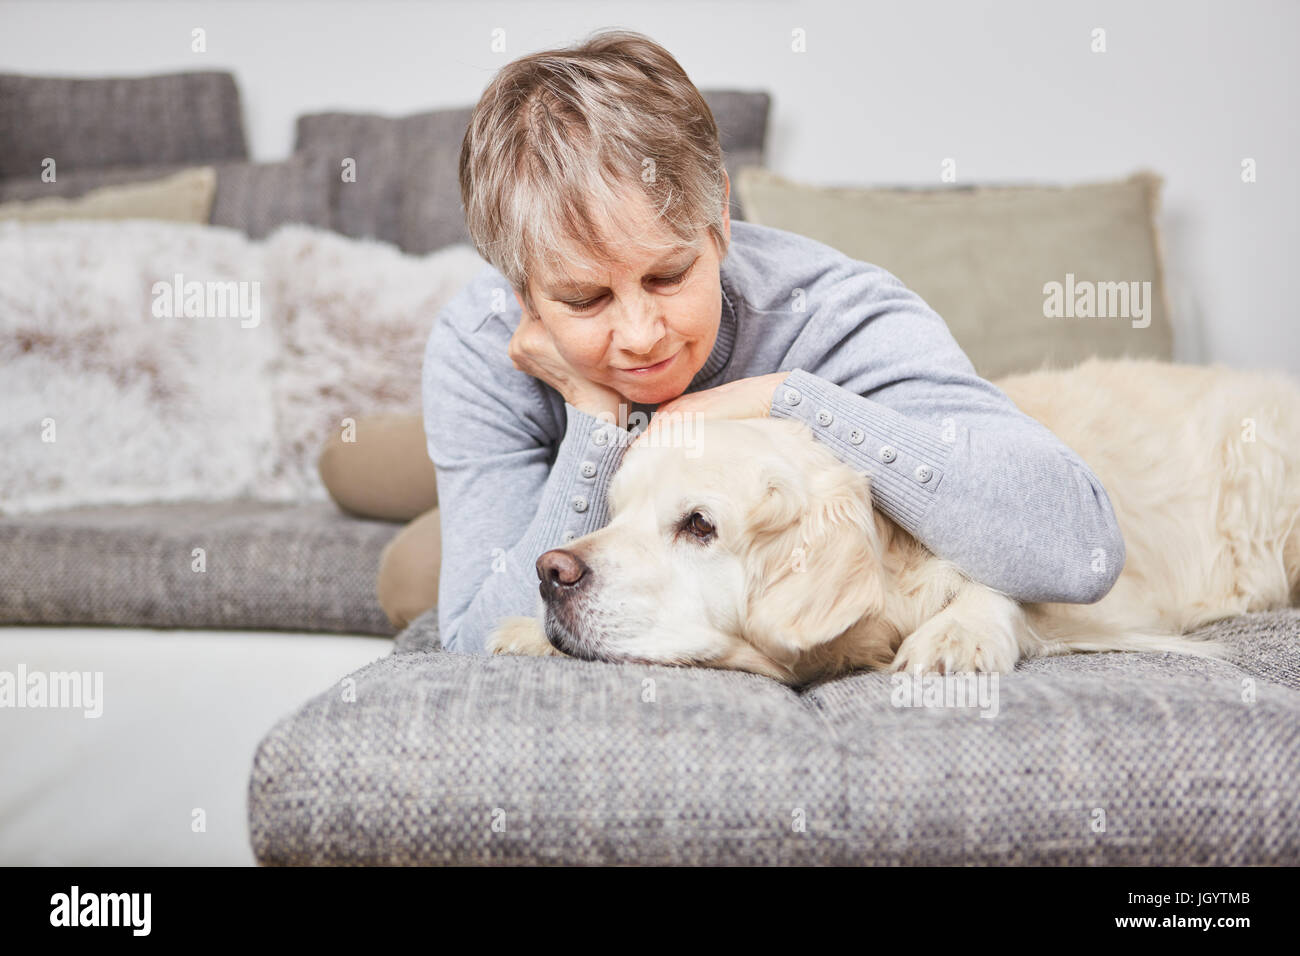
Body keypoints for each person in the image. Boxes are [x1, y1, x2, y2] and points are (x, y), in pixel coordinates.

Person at [321, 28, 1127, 650]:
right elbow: (470, 637)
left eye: (669, 277)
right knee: (357, 473)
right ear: (522, 292)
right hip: (549, 435)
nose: (640, 334)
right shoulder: (481, 338)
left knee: (410, 570)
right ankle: (375, 458)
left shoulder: (840, 312)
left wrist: (786, 399)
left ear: (719, 225)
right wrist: (598, 423)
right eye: (585, 298)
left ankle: (421, 465)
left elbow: (1081, 550)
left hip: (604, 509)